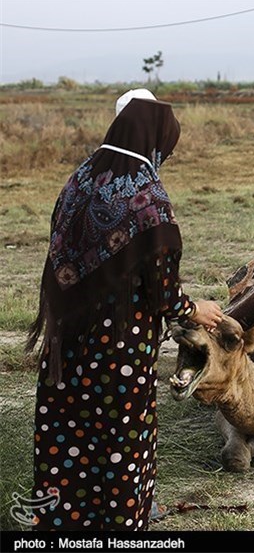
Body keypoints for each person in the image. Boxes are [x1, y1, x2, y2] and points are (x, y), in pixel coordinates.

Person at [25, 90, 223, 530]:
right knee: (121, 436)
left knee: (70, 428)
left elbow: (61, 257)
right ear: (153, 141)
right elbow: (166, 295)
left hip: (68, 338)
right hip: (121, 347)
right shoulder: (149, 198)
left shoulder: (76, 181)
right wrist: (197, 310)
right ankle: (121, 521)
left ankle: (64, 519)